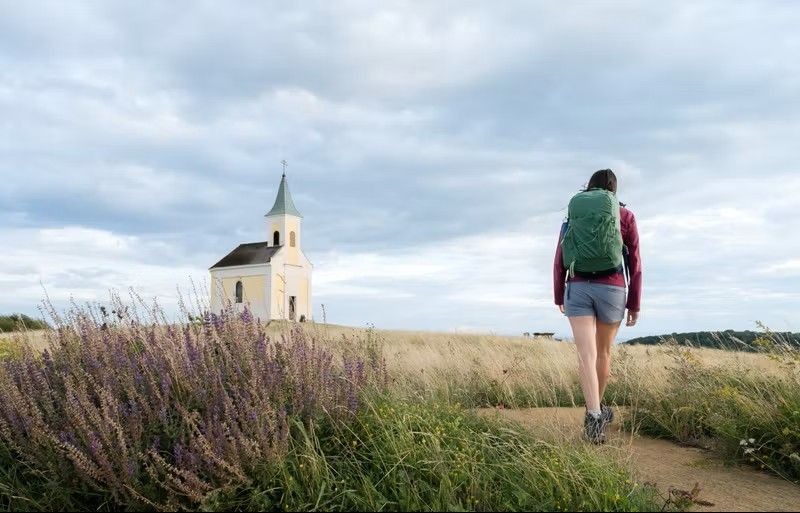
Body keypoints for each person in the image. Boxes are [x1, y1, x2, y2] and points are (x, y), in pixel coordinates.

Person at [553, 169, 642, 444]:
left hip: (578, 287)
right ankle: (597, 413)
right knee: (603, 353)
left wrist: (559, 294)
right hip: (613, 288)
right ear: (613, 191)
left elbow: (559, 257)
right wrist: (634, 302)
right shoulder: (624, 216)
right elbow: (635, 261)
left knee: (585, 355)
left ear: (589, 188)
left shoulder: (574, 215)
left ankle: (594, 414)